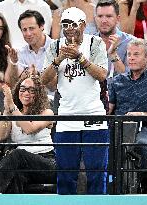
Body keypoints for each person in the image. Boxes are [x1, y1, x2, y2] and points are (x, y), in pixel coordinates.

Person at [41, 7, 109, 194]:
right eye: (65, 25)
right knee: (65, 173)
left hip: (93, 116)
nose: (69, 29)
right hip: (66, 118)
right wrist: (59, 59)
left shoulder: (94, 43)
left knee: (97, 173)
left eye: (73, 24)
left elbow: (102, 75)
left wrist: (79, 58)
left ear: (84, 25)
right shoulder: (55, 46)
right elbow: (43, 80)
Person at [0, 75, 56, 193]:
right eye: (22, 89)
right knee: (16, 176)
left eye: (31, 90)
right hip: (22, 166)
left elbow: (30, 129)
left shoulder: (46, 112)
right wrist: (6, 110)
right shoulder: (14, 113)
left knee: (18, 153)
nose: (26, 92)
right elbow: (0, 136)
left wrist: (12, 107)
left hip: (47, 163)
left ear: (38, 93)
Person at [108, 38, 147, 170]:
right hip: (119, 127)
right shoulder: (117, 81)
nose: (131, 58)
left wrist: (140, 114)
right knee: (103, 142)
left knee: (142, 143)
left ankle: (145, 183)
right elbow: (109, 109)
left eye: (136, 54)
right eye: (129, 54)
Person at [95, 0, 136, 79]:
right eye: (100, 16)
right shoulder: (89, 41)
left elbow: (131, 79)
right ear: (95, 18)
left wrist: (113, 54)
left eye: (109, 16)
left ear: (118, 19)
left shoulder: (132, 43)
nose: (104, 21)